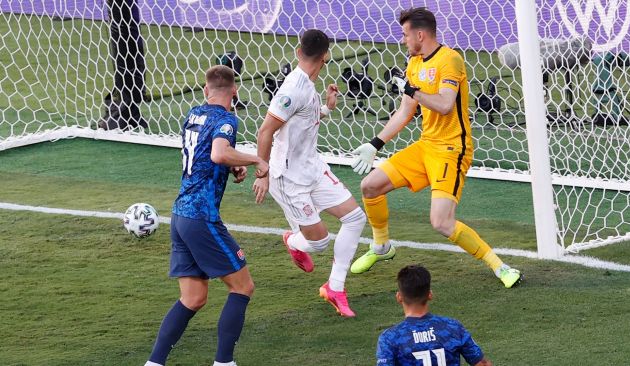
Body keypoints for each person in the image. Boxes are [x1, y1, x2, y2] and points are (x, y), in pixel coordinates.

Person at [350, 7, 521, 288]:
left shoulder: (449, 59)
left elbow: (443, 105)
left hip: (452, 149)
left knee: (441, 222)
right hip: (426, 145)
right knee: (370, 186)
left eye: (406, 35)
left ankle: (500, 267)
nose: (403, 40)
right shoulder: (414, 64)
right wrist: (375, 144)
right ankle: (381, 247)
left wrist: (412, 90)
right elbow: (405, 113)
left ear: (420, 34)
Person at [144, 65, 268, 366]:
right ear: (235, 91)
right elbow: (217, 153)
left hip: (180, 216)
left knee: (193, 298)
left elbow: (206, 154)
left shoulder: (193, 114)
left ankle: (154, 363)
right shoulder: (227, 119)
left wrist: (231, 165)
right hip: (201, 217)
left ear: (205, 90)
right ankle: (224, 363)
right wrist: (255, 159)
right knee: (243, 286)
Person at [252, 29, 367, 317]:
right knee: (319, 242)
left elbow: (300, 123)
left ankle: (335, 287)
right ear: (325, 56)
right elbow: (266, 131)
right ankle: (292, 241)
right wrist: (262, 173)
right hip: (288, 178)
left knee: (355, 218)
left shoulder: (306, 85)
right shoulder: (293, 88)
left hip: (312, 168)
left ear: (298, 51)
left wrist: (326, 109)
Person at [376, 265, 493, 366]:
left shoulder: (389, 338)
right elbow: (482, 363)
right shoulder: (453, 327)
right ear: (430, 295)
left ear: (399, 297)